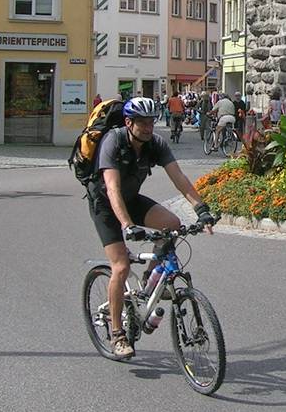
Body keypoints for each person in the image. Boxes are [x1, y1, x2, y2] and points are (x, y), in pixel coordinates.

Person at [86, 97, 215, 360]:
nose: (147, 127)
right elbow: (112, 188)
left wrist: (201, 210)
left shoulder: (155, 144)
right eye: (142, 123)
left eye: (151, 122)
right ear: (128, 122)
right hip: (105, 205)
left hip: (131, 200)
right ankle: (117, 334)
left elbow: (179, 177)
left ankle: (148, 281)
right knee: (121, 266)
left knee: (172, 225)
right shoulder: (114, 141)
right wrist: (127, 226)